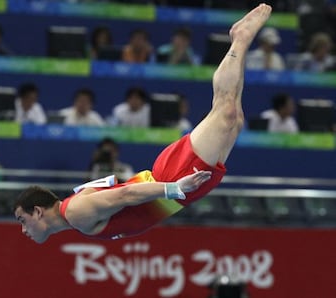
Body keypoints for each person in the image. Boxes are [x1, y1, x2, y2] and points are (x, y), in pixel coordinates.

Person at [14, 4, 273, 243]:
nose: (24, 230)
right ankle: (241, 41)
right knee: (235, 119)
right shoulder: (76, 211)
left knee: (226, 113)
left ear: (37, 212)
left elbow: (123, 195)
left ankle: (240, 38)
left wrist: (174, 187)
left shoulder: (77, 213)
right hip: (173, 191)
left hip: (172, 178)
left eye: (23, 221)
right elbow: (118, 189)